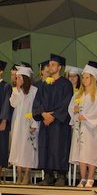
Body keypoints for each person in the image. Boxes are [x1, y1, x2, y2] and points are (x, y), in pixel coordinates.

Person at [32, 54, 73, 186]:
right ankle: (48, 176)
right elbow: (37, 102)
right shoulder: (44, 84)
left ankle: (61, 176)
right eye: (49, 65)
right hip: (46, 122)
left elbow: (66, 103)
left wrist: (53, 116)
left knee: (59, 147)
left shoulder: (66, 84)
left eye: (53, 65)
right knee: (46, 147)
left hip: (60, 123)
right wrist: (43, 114)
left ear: (59, 67)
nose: (50, 67)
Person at [68, 64, 97, 188]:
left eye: (87, 77)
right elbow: (71, 108)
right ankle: (83, 178)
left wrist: (86, 117)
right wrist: (75, 110)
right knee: (81, 153)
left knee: (90, 152)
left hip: (92, 128)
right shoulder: (78, 94)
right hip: (80, 127)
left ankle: (91, 177)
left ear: (93, 79)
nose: (84, 80)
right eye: (83, 77)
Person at [9, 65, 39, 185]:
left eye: (20, 77)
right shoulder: (16, 90)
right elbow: (13, 103)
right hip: (17, 123)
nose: (18, 80)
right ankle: (19, 175)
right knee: (17, 148)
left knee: (27, 148)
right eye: (17, 78)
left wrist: (34, 123)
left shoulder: (34, 90)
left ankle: (27, 174)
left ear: (25, 78)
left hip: (29, 122)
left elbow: (36, 108)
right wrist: (17, 89)